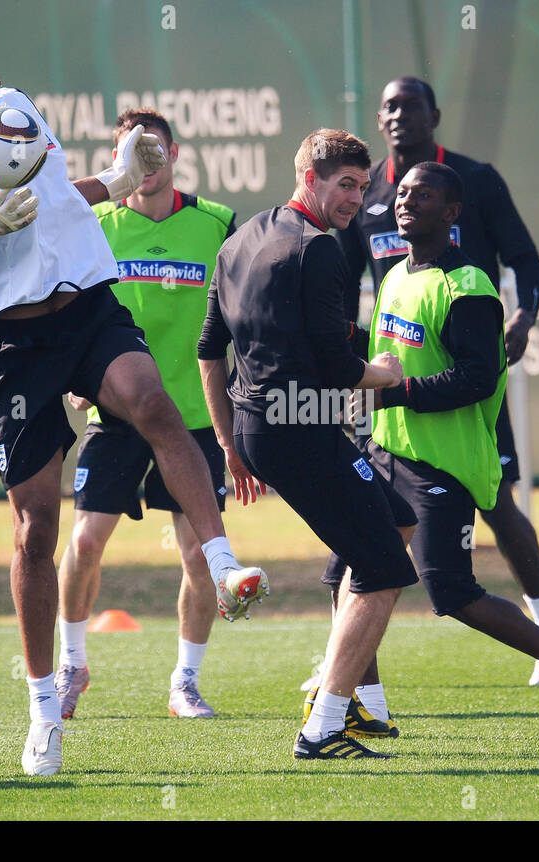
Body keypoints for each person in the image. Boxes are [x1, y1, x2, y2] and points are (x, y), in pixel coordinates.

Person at [0, 26, 267, 776]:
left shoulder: (15, 106)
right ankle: (43, 712)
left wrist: (118, 179)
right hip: (13, 341)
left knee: (155, 403)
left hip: (86, 310)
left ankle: (226, 565)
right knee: (38, 532)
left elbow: (58, 202)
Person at [317, 76, 539, 692]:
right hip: (389, 393)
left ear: (434, 114)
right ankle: (351, 682)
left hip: (457, 387)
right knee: (358, 545)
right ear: (378, 121)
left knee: (498, 509)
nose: (400, 116)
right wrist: (346, 359)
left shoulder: (472, 181)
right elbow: (348, 287)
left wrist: (523, 317)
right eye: (389, 107)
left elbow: (527, 262)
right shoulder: (371, 194)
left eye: (412, 106)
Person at [350, 162, 539, 736]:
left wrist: (399, 395)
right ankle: (367, 708)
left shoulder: (466, 285)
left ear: (452, 212)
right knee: (350, 572)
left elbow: (479, 378)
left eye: (424, 194)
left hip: (441, 463)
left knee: (451, 591)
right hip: (386, 453)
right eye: (402, 193)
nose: (406, 201)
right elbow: (382, 370)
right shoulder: (392, 277)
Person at [198, 128, 419, 759]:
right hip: (301, 429)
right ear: (308, 179)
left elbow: (210, 353)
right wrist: (387, 371)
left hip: (261, 429)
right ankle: (324, 723)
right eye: (344, 184)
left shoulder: (239, 240)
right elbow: (340, 369)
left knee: (395, 523)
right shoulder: (319, 249)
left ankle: (362, 705)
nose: (355, 197)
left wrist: (229, 444)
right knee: (382, 571)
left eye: (362, 184)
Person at [56, 108, 238, 722]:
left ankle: (184, 682)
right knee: (83, 542)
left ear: (175, 154)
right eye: (132, 152)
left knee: (196, 556)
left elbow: (245, 317)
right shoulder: (96, 222)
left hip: (192, 418)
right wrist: (78, 378)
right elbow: (66, 310)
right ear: (117, 160)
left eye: (154, 150)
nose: (145, 163)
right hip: (117, 414)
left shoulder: (216, 225)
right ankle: (73, 663)